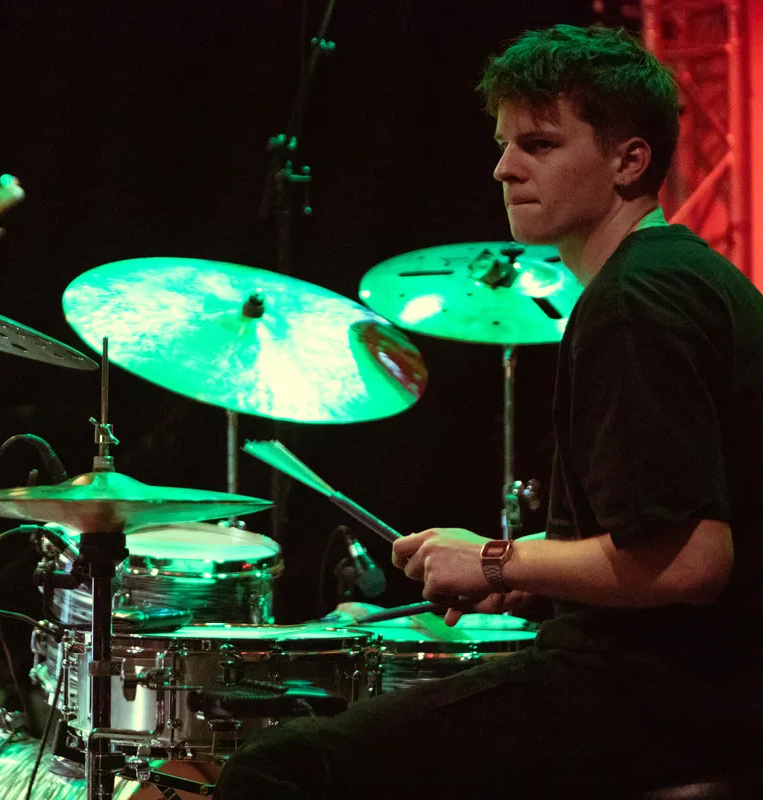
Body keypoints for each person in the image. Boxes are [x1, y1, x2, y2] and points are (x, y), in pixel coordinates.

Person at [216, 24, 763, 798]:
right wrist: (531, 569)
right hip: (696, 679)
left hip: (666, 692)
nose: (504, 168)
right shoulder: (682, 276)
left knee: (281, 771)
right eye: (505, 144)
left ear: (630, 161)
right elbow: (661, 531)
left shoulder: (636, 301)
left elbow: (690, 561)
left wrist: (496, 560)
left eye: (538, 145)